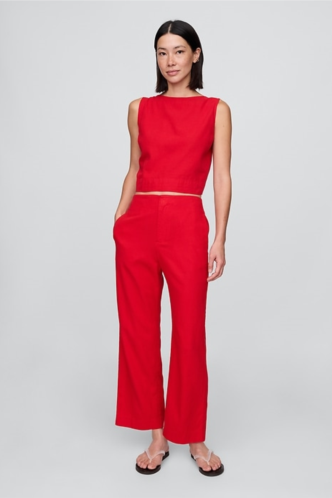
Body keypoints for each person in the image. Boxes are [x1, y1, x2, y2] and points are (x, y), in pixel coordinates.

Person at [112, 19, 232, 477]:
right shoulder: (138, 108)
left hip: (186, 224)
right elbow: (134, 167)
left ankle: (194, 435)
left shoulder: (216, 110)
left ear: (195, 55)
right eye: (162, 52)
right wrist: (119, 220)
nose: (170, 61)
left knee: (189, 332)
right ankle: (157, 436)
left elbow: (222, 176)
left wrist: (219, 237)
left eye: (179, 51)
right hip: (138, 225)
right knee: (139, 331)